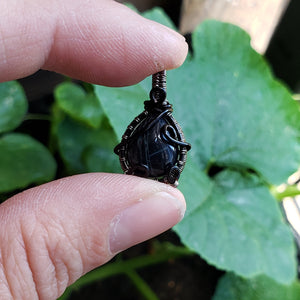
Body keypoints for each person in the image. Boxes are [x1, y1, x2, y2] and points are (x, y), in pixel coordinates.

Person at [0, 0, 188, 299]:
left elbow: (132, 146)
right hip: (153, 153)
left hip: (149, 153)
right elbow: (139, 146)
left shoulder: (153, 131)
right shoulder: (158, 131)